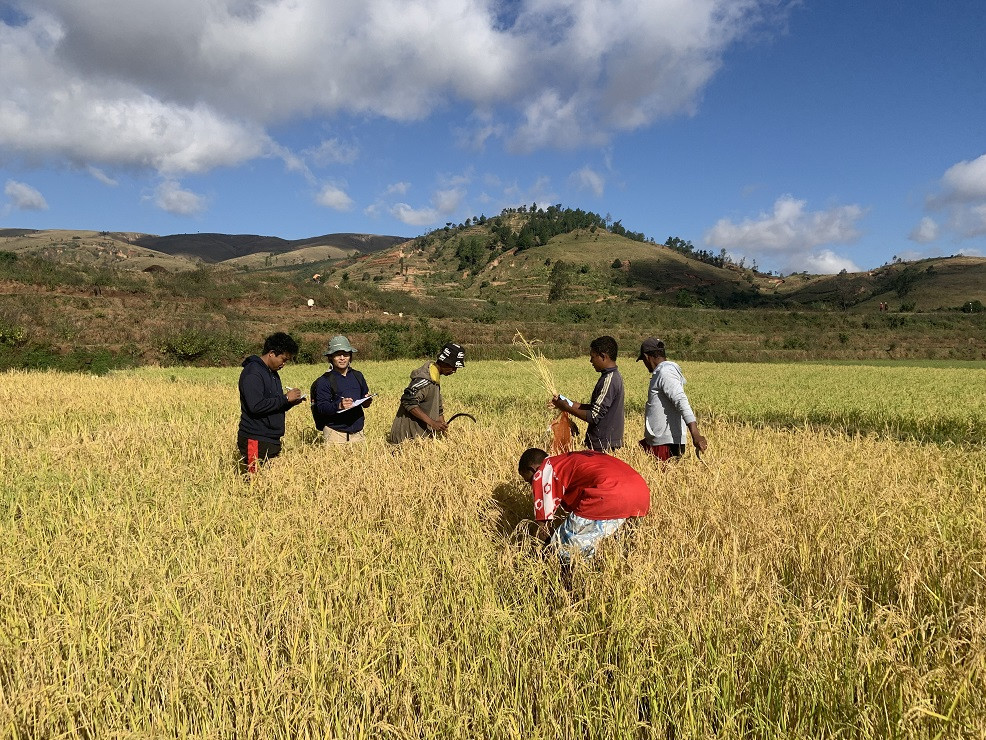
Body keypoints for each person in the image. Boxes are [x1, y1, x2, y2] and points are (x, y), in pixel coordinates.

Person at [518, 447, 650, 572]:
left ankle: (570, 590)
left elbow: (543, 528)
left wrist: (535, 558)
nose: (532, 484)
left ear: (533, 469)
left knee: (564, 549)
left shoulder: (543, 470)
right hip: (640, 493)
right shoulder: (567, 460)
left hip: (610, 494)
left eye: (528, 480)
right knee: (621, 552)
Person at [237, 332, 305, 473]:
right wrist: (285, 398)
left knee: (269, 484)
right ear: (272, 353)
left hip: (271, 439)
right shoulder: (253, 373)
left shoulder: (272, 374)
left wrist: (290, 402)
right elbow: (256, 406)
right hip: (255, 439)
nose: (284, 364)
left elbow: (273, 405)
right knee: (253, 483)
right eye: (283, 359)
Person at [637, 337, 708, 461]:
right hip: (661, 440)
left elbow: (681, 401)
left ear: (646, 356)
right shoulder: (662, 372)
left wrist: (695, 434)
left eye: (643, 360)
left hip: (666, 443)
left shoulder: (665, 372)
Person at [550, 335, 624, 451]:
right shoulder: (609, 377)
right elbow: (593, 408)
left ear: (603, 356)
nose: (591, 361)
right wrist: (563, 400)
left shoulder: (609, 380)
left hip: (603, 445)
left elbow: (594, 416)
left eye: (592, 357)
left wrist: (566, 407)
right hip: (602, 443)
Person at [387, 342, 465, 443]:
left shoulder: (434, 380)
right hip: (407, 439)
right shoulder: (424, 380)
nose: (454, 370)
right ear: (444, 362)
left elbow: (438, 409)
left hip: (421, 438)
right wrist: (432, 423)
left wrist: (442, 427)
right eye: (453, 366)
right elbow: (408, 400)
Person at [311, 335, 372, 445]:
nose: (342, 358)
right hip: (335, 435)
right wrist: (339, 405)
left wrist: (367, 401)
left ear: (350, 356)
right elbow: (321, 407)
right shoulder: (324, 381)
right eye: (338, 355)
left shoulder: (358, 376)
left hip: (358, 434)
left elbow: (365, 401)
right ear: (330, 357)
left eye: (346, 354)